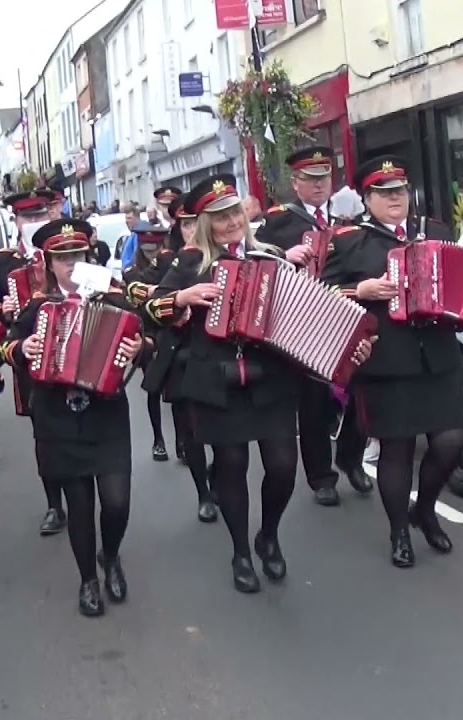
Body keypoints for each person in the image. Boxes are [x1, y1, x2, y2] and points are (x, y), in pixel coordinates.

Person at [142, 175, 372, 593]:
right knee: (232, 466)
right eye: (220, 216)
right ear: (206, 223)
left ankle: (268, 534)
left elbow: (308, 316)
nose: (231, 222)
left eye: (234, 213)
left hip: (272, 382)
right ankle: (240, 551)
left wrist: (346, 347)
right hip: (216, 383)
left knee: (284, 468)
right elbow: (150, 309)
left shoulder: (271, 258)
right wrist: (181, 299)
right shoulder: (190, 263)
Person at [320, 155, 463, 568]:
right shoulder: (350, 242)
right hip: (386, 361)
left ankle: (426, 509)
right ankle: (400, 530)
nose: (394, 199)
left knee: (451, 440)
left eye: (399, 191)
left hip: (439, 356)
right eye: (383, 193)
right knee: (396, 451)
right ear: (367, 198)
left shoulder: (434, 232)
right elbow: (321, 297)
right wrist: (360, 289)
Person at [3, 219, 143, 616]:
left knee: (117, 503)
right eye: (61, 258)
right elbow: (7, 349)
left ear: (87, 257)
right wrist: (22, 348)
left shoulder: (111, 299)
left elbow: (145, 342)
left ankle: (110, 555)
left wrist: (138, 349)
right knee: (79, 506)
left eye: (76, 256)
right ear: (49, 262)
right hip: (58, 418)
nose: (69, 264)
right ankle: (88, 580)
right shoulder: (38, 308)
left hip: (107, 415)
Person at [257, 145, 374, 506]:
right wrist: (283, 255)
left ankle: (351, 457)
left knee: (361, 391)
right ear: (296, 182)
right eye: (311, 179)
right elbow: (255, 261)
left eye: (324, 178)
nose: (320, 185)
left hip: (346, 311)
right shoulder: (279, 221)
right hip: (303, 319)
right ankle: (321, 475)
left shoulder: (349, 217)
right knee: (313, 400)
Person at [0, 188, 70, 536]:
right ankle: (54, 504)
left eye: (39, 216)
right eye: (27, 218)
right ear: (15, 221)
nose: (33, 223)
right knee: (44, 433)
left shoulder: (64, 249)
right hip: (31, 357)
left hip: (75, 351)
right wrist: (8, 310)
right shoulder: (5, 261)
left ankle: (80, 491)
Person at [127, 195, 218, 523]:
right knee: (189, 429)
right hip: (180, 351)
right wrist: (170, 304)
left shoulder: (220, 256)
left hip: (218, 355)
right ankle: (203, 494)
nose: (193, 229)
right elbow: (134, 289)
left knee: (223, 432)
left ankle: (218, 476)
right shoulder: (169, 260)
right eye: (187, 224)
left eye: (198, 222)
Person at [121, 221, 172, 461]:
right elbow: (134, 294)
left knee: (176, 388)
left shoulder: (171, 263)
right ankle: (158, 438)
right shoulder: (132, 271)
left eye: (156, 246)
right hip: (147, 332)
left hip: (170, 331)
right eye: (147, 247)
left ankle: (181, 438)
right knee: (153, 386)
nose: (152, 251)